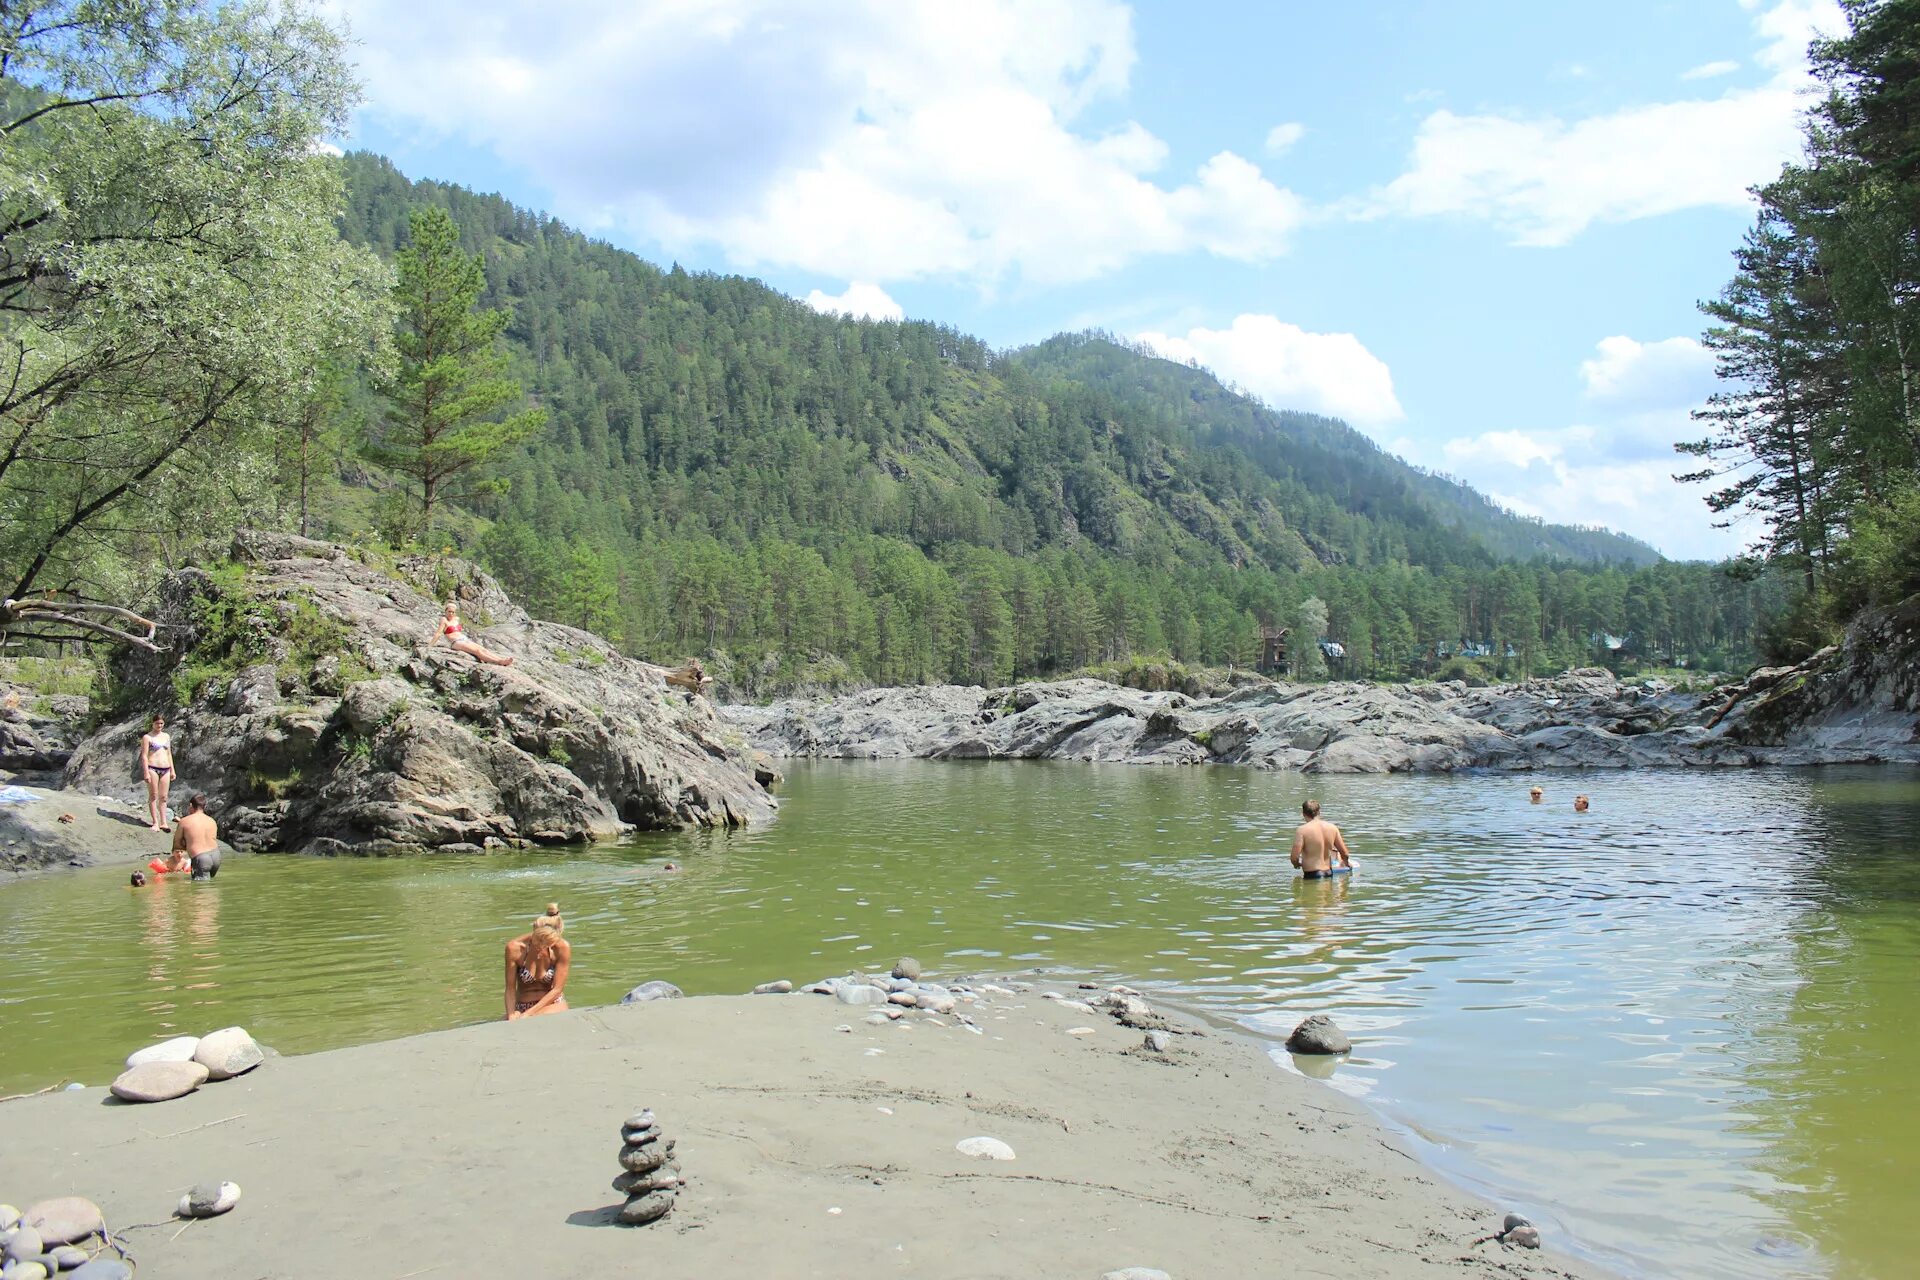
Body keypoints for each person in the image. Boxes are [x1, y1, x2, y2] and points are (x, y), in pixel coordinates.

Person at [505, 903, 571, 1020]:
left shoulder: (562, 947)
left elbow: (557, 989)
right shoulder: (514, 948)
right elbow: (510, 988)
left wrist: (529, 1013)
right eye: (539, 941)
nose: (541, 947)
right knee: (505, 1022)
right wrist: (511, 1014)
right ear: (534, 931)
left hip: (553, 1004)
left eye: (547, 943)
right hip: (522, 1006)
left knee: (533, 1018)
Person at [431, 601, 513, 667]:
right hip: (456, 642)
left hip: (464, 639)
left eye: (453, 612)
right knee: (477, 651)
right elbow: (438, 633)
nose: (451, 614)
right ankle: (499, 662)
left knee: (483, 649)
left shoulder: (456, 619)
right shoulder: (444, 620)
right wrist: (430, 645)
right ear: (445, 611)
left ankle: (501, 659)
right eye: (449, 611)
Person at [1291, 799, 1353, 880]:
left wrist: (1296, 864)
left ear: (1303, 814)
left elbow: (1294, 857)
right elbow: (1345, 853)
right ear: (1319, 812)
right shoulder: (1333, 828)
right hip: (1328, 873)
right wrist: (1346, 863)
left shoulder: (1302, 830)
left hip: (1312, 875)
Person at [172, 793, 221, 880]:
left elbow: (177, 843)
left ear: (191, 806)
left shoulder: (184, 821)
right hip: (216, 856)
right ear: (204, 806)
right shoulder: (212, 821)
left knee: (200, 890)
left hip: (201, 858)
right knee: (210, 889)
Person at [139, 714, 174, 831]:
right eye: (157, 723)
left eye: (161, 723)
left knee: (163, 797)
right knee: (153, 795)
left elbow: (169, 754)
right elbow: (144, 756)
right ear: (152, 723)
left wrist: (173, 770)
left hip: (166, 769)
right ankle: (155, 822)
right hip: (152, 768)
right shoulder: (147, 737)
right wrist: (146, 773)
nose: (159, 725)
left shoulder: (166, 736)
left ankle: (164, 822)